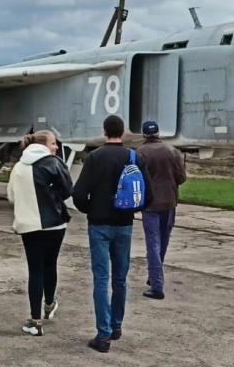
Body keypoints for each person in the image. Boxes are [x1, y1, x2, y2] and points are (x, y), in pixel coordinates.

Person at [71, 114, 152, 353]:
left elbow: (78, 194)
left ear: (104, 132)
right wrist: (131, 210)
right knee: (120, 278)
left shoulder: (95, 157)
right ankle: (116, 325)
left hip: (99, 224)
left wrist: (90, 210)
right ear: (123, 132)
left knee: (101, 278)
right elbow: (148, 196)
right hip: (124, 224)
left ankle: (103, 334)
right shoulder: (135, 157)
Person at [7, 130, 73, 337]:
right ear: (45, 144)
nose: (56, 147)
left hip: (29, 225)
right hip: (54, 224)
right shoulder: (54, 163)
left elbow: (11, 196)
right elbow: (67, 190)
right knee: (50, 265)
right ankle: (49, 303)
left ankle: (35, 321)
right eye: (54, 143)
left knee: (35, 269)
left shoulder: (19, 166)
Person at [135, 120, 187, 299]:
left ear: (143, 135)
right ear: (158, 133)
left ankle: (157, 285)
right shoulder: (172, 151)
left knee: (153, 243)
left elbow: (137, 179)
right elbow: (181, 177)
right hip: (169, 202)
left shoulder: (140, 152)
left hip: (150, 204)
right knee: (163, 241)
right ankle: (154, 276)